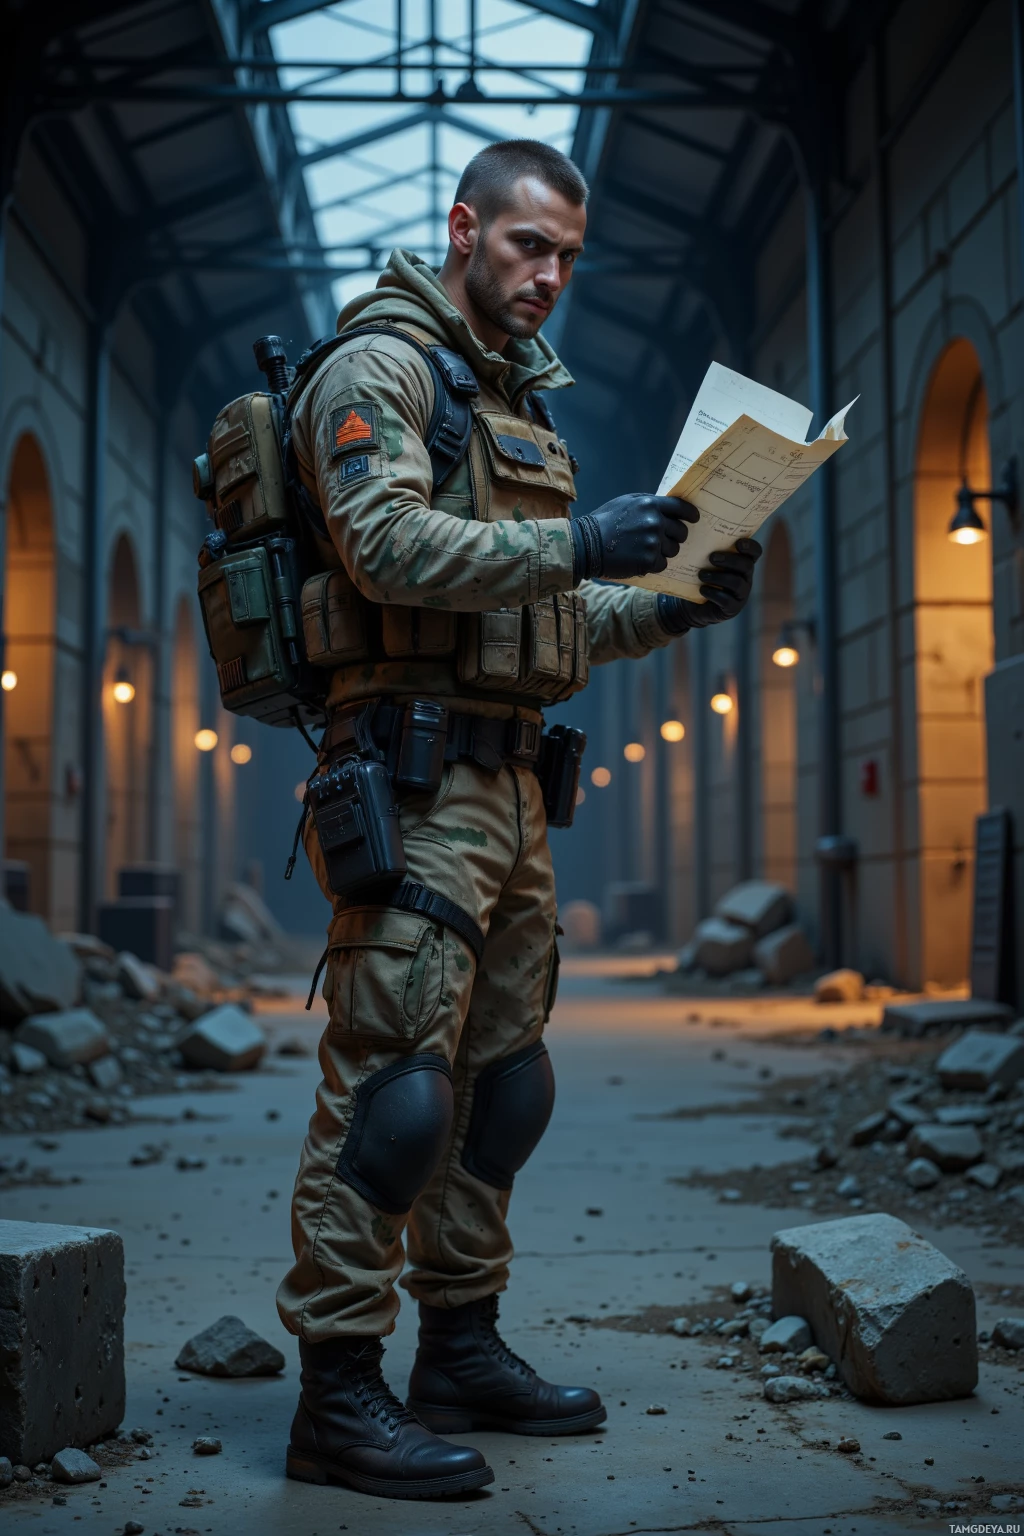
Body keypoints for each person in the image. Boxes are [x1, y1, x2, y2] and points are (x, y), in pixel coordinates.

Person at [276, 138, 761, 1501]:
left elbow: (544, 616)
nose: (549, 275)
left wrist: (670, 597)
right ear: (463, 227)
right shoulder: (381, 372)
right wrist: (585, 541)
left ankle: (462, 1347)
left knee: (499, 1092)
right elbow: (390, 551)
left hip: (508, 791)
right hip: (412, 789)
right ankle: (336, 1393)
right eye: (526, 245)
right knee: (392, 1093)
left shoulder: (515, 407)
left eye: (567, 255)